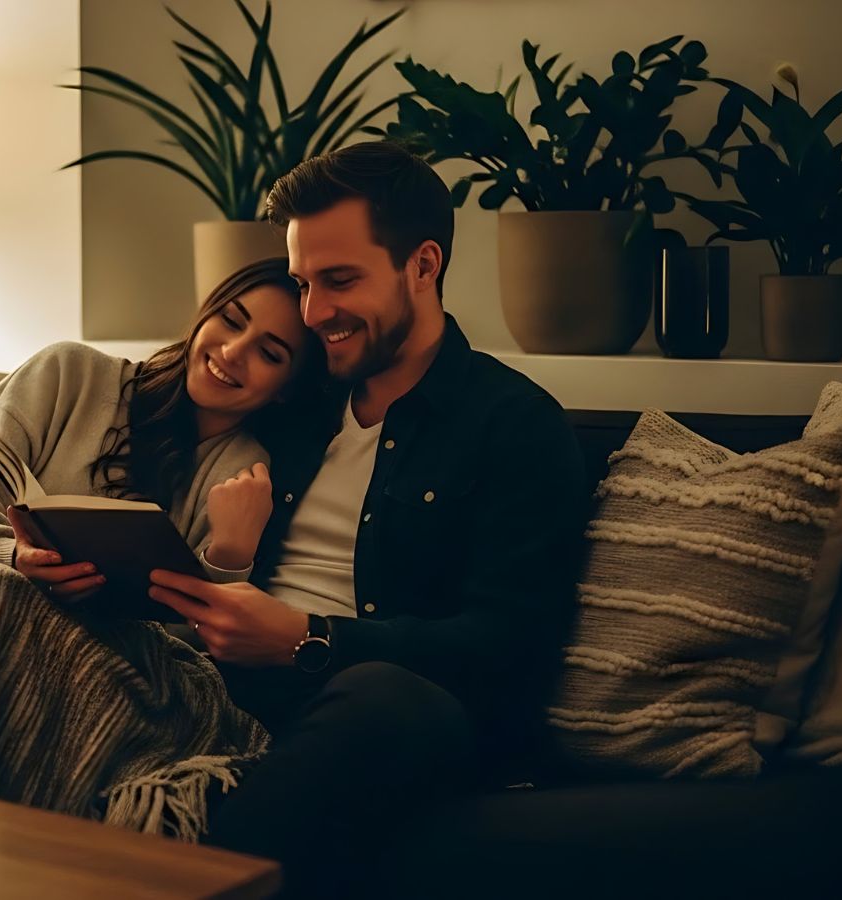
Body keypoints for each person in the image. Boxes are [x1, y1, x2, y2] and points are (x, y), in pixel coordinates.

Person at [139, 142, 592, 898]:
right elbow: (154, 416)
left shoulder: (514, 425)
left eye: (340, 281)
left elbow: (509, 646)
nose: (314, 312)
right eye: (303, 283)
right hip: (225, 682)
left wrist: (309, 642)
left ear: (423, 265)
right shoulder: (297, 399)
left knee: (386, 698)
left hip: (383, 707)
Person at [0, 257, 333, 603]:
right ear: (206, 314)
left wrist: (231, 555)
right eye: (231, 320)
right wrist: (10, 555)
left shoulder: (245, 473)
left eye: (269, 353)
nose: (232, 351)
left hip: (77, 644)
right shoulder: (67, 373)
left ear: (286, 389)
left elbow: (201, 637)